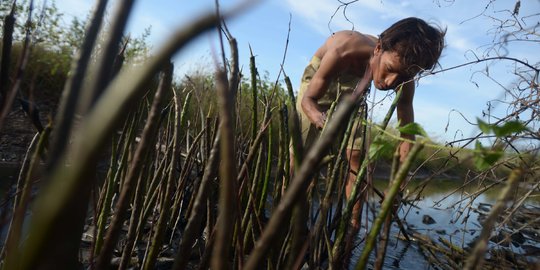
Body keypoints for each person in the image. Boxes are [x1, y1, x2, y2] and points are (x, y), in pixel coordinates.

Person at [294, 17, 445, 230]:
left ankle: (352, 225)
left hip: (357, 86)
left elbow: (406, 137)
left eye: (403, 76)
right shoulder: (344, 49)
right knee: (301, 156)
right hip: (321, 79)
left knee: (357, 155)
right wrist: (323, 122)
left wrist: (397, 185)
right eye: (390, 68)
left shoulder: (403, 77)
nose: (391, 82)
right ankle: (290, 215)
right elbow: (309, 101)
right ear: (378, 49)